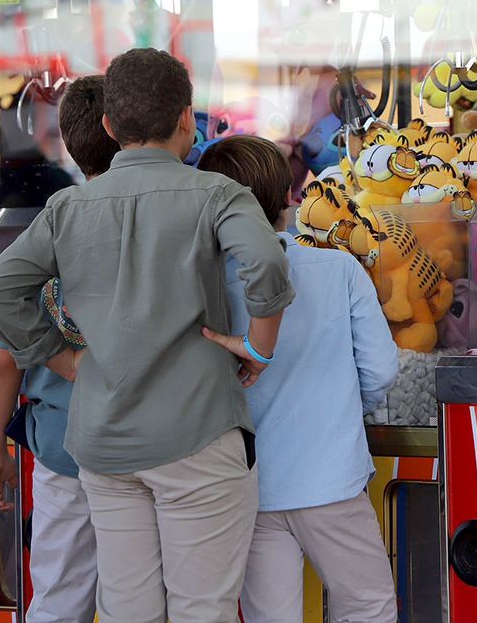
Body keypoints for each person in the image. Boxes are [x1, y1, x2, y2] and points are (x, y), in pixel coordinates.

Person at [0, 49, 294, 623]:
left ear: (107, 126)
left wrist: (61, 357)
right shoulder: (217, 195)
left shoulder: (66, 208)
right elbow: (266, 263)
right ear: (187, 120)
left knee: (128, 612)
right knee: (202, 609)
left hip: (105, 447)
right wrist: (259, 347)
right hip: (198, 434)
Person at [198, 135, 399, 623]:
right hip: (333, 479)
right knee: (368, 608)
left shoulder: (204, 288)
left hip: (251, 488)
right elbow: (382, 369)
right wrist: (345, 406)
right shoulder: (338, 268)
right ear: (288, 198)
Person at [0, 75, 116, 623]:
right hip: (157, 447)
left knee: (59, 597)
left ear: (68, 141)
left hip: (63, 451)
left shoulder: (50, 228)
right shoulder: (171, 216)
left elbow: (4, 360)